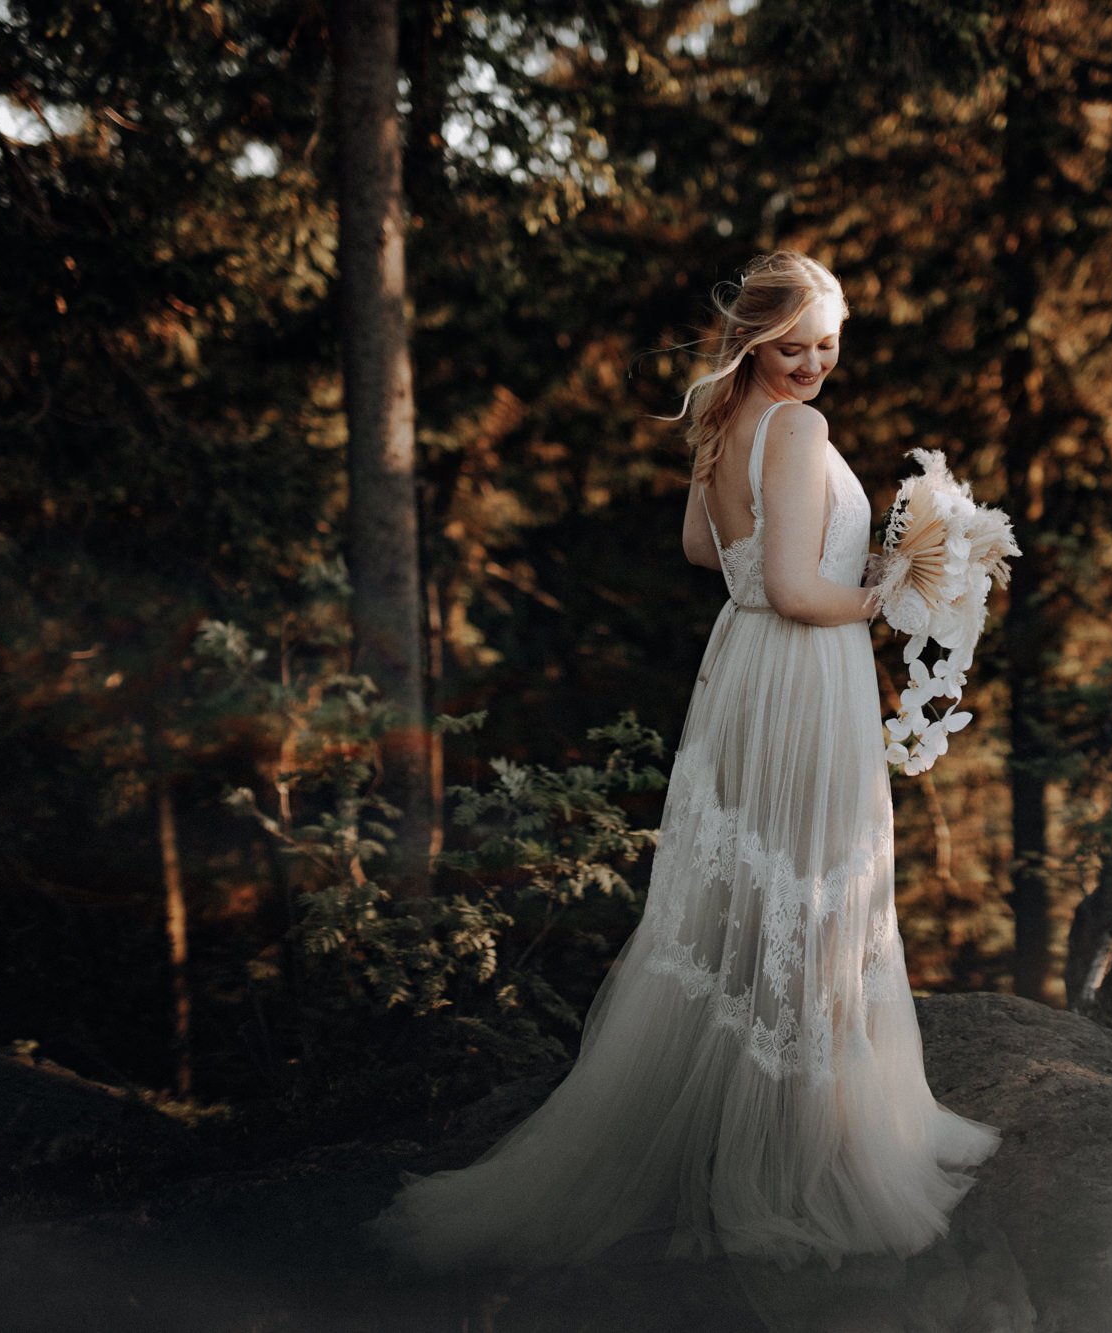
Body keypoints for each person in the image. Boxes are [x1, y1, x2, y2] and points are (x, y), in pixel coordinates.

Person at [362, 250, 1000, 1278]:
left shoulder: (720, 412)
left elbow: (707, 552)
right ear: (755, 338)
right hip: (800, 667)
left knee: (756, 885)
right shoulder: (796, 428)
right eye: (792, 344)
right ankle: (801, 1144)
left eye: (827, 344)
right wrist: (884, 587)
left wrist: (835, 567)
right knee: (812, 884)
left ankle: (731, 1109)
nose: (811, 364)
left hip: (743, 666)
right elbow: (796, 590)